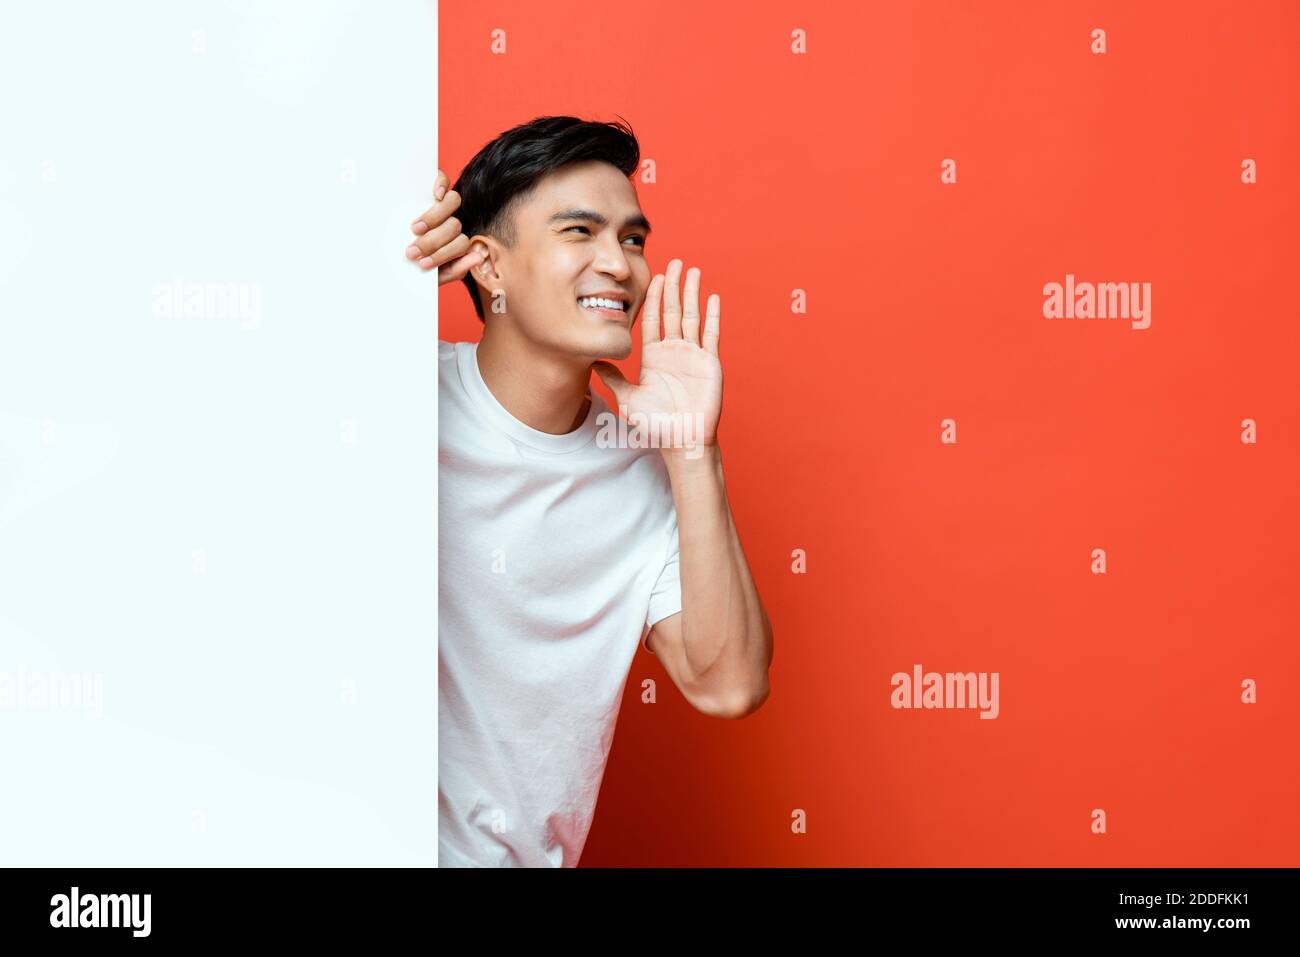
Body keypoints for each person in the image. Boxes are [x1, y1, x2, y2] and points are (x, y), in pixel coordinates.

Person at [412, 116, 773, 867]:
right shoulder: (393, 398)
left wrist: (692, 454)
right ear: (488, 265)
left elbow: (727, 683)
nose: (618, 263)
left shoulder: (645, 470)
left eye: (633, 239)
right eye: (580, 232)